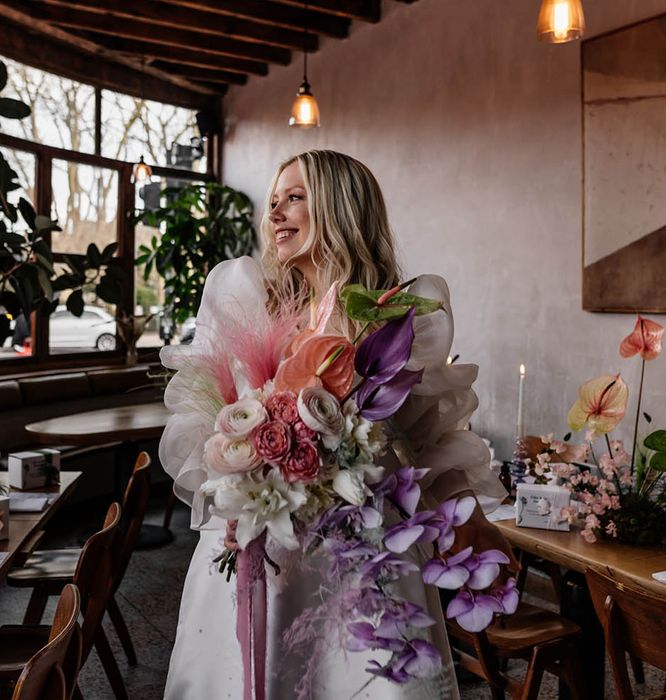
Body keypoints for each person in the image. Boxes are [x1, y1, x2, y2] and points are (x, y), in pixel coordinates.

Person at [160, 150, 516, 699]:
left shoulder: (396, 319)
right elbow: (206, 421)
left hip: (362, 553)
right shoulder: (251, 306)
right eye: (273, 201)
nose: (275, 213)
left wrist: (474, 526)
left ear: (341, 207)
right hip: (262, 542)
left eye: (295, 198)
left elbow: (429, 440)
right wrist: (232, 480)